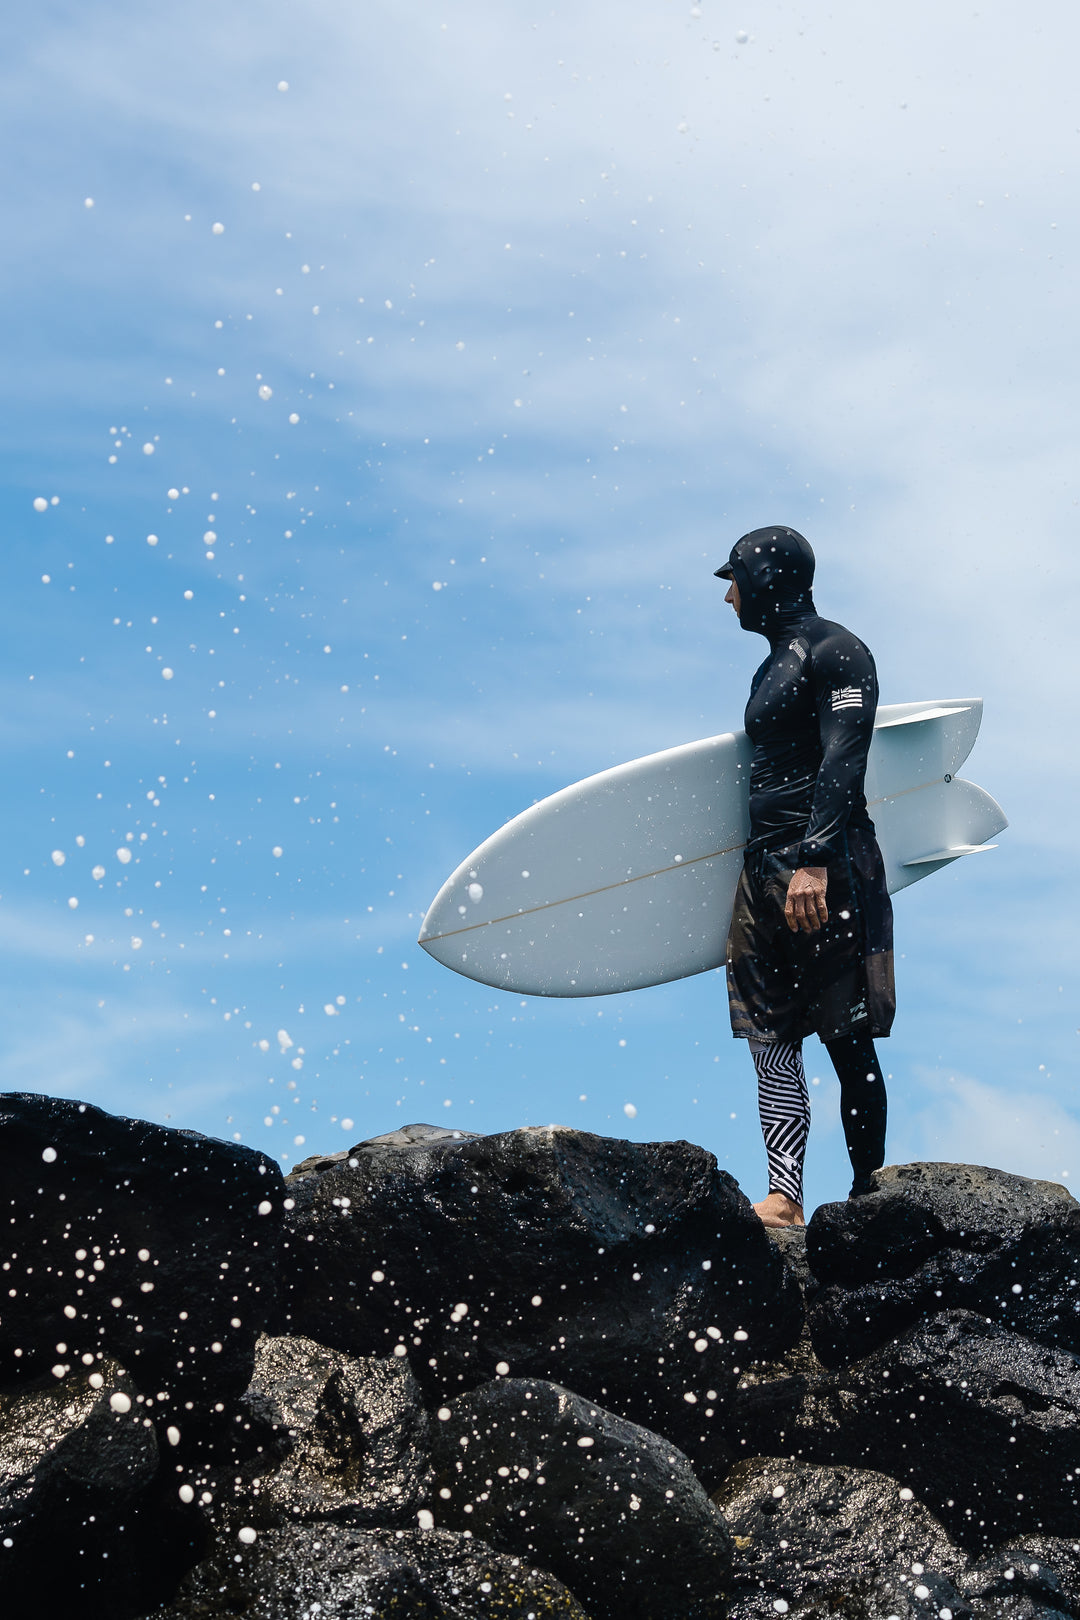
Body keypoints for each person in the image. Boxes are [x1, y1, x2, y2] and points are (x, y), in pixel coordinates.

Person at [715, 526, 894, 1227]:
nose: (728, 597)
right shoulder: (771, 665)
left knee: (845, 1036)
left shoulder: (836, 651)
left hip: (826, 865)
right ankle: (785, 1195)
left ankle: (866, 1196)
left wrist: (815, 859)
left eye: (735, 581)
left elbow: (844, 757)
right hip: (764, 866)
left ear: (765, 581)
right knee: (770, 1035)